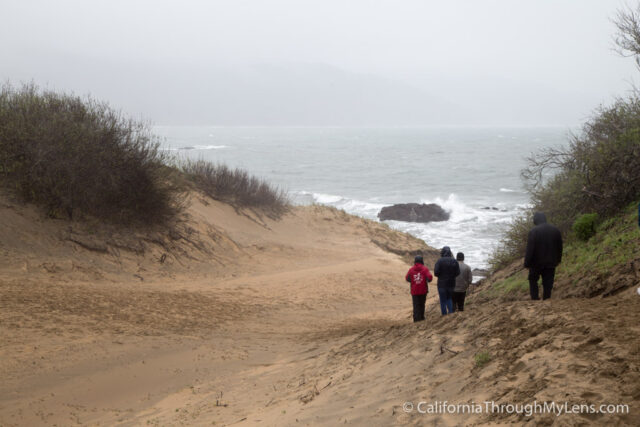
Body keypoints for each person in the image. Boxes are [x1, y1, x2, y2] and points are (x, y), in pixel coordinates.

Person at [524, 212, 563, 300]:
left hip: (535, 263)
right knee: (548, 282)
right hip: (551, 261)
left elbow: (530, 249)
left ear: (536, 220)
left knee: (533, 280)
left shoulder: (533, 231)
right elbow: (559, 247)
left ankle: (535, 299)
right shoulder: (555, 230)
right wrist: (558, 259)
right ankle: (546, 298)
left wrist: (527, 263)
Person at [405, 255, 433, 322]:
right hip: (423, 290)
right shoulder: (425, 269)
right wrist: (426, 280)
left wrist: (412, 281)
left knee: (416, 305)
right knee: (422, 304)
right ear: (422, 261)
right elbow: (430, 278)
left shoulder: (411, 269)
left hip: (414, 290)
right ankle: (421, 318)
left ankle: (416, 319)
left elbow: (407, 278)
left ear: (415, 261)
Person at [434, 246, 460, 315]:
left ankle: (444, 315)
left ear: (443, 252)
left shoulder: (439, 261)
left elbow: (436, 273)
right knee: (449, 299)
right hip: (451, 284)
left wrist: (441, 275)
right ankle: (451, 313)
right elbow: (458, 272)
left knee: (443, 301)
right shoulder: (454, 261)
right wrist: (452, 276)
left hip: (442, 284)